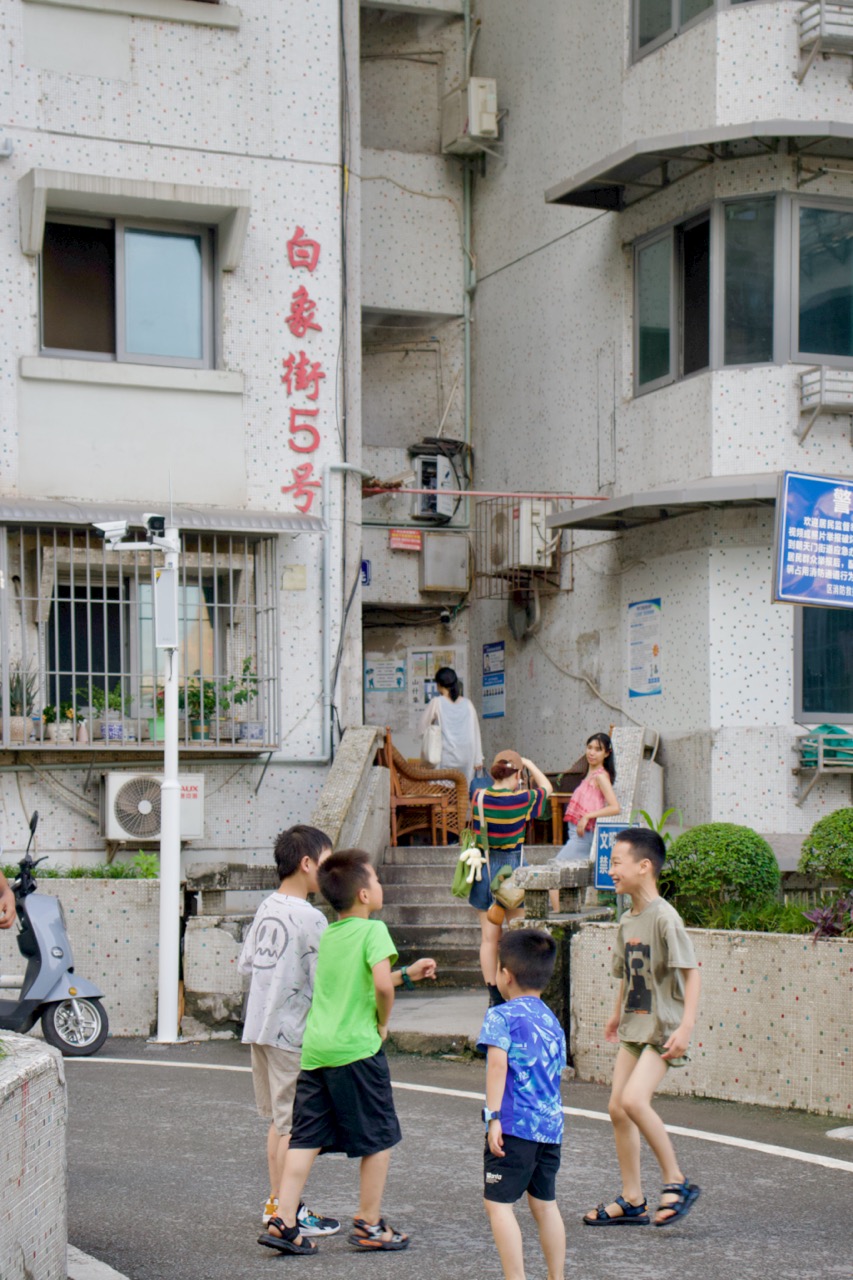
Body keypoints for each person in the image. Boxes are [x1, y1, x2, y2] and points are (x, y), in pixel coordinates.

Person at [259, 848, 437, 1256]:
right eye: (376, 879)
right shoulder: (374, 932)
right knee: (378, 1138)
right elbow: (380, 986)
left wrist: (407, 974)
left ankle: (283, 1220)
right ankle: (369, 1223)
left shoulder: (331, 935)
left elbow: (357, 982)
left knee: (304, 1138)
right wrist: (383, 1022)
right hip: (356, 1050)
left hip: (316, 1051)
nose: (380, 885)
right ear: (364, 895)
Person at [582, 828, 701, 1229]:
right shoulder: (627, 919)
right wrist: (616, 1013)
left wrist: (686, 1027)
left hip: (664, 1030)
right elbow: (627, 975)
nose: (611, 870)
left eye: (617, 862)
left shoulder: (665, 917)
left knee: (634, 1101)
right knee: (617, 1108)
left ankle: (676, 1181)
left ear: (644, 866)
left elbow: (692, 973)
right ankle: (633, 1198)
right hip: (635, 1027)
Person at [238, 824, 340, 1239]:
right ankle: (287, 1213)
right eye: (327, 862)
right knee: (296, 1127)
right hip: (291, 1033)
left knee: (280, 1123)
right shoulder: (312, 918)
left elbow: (247, 964)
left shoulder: (266, 906)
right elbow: (325, 981)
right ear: (307, 863)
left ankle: (277, 1204)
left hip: (259, 1027)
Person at [479, 929, 567, 1280]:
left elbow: (497, 1066)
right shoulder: (552, 1021)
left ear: (506, 975)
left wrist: (493, 1118)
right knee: (545, 1205)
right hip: (550, 1128)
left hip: (514, 1128)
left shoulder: (501, 1016)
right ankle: (556, 1276)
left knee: (498, 1204)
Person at [470, 750, 553, 1007]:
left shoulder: (478, 796)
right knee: (518, 936)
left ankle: (494, 996)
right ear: (517, 775)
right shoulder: (522, 800)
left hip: (485, 869)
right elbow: (547, 788)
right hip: (514, 871)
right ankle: (516, 991)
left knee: (489, 939)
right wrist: (529, 763)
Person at [550, 732, 620, 913]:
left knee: (553, 874)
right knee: (561, 878)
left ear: (607, 753)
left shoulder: (600, 776)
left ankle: (560, 917)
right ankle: (564, 915)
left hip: (583, 837)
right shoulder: (589, 775)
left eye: (598, 749)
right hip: (576, 834)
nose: (592, 752)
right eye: (589, 748)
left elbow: (615, 807)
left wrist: (588, 816)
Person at [419, 666, 484, 783]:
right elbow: (476, 732)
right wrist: (478, 759)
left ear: (439, 684)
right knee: (463, 789)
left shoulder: (437, 702)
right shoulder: (468, 704)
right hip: (467, 760)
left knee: (442, 790)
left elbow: (422, 728)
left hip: (446, 760)